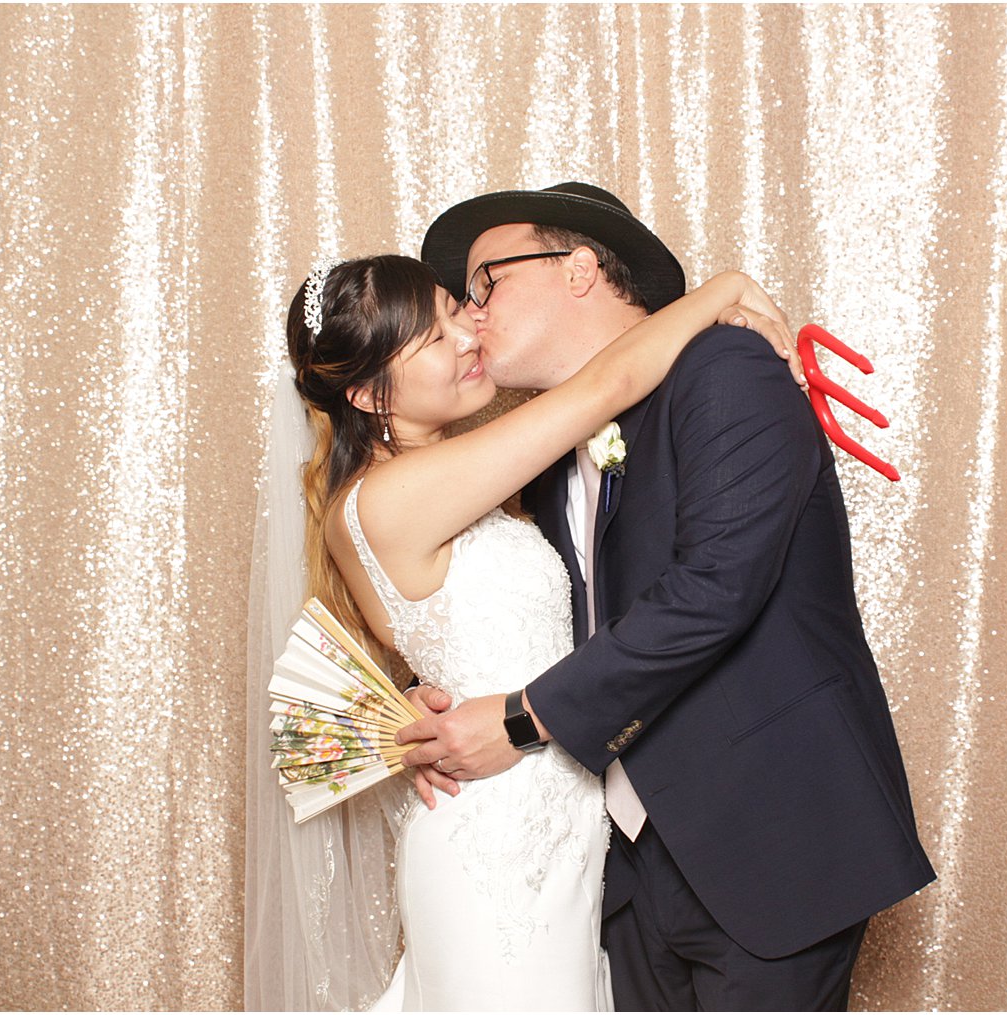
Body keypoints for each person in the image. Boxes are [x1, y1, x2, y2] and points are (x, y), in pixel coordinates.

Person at [401, 182, 937, 1011]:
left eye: (486, 283)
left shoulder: (725, 368)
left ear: (578, 267)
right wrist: (423, 692)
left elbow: (716, 588)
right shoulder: (543, 453)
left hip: (770, 834)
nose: (472, 317)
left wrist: (518, 721)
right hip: (622, 864)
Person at [281, 250, 802, 1011]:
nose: (468, 334)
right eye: (431, 338)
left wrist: (423, 703)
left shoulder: (455, 481)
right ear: (366, 392)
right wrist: (726, 287)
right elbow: (605, 386)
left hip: (566, 834)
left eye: (454, 307)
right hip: (495, 850)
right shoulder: (390, 497)